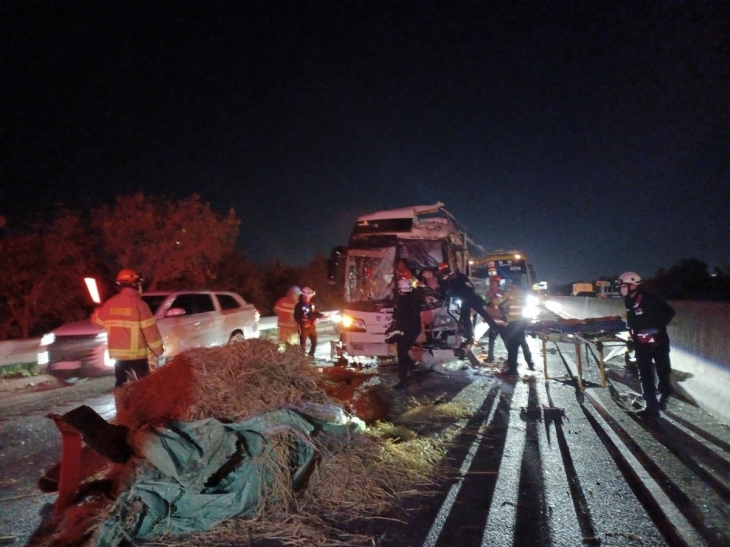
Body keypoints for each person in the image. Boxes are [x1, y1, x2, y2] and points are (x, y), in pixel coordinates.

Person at [92, 268, 164, 388]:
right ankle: (144, 405)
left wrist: (96, 312)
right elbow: (150, 331)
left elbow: (98, 323)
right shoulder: (140, 305)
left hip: (118, 357)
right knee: (145, 386)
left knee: (121, 385)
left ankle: (122, 405)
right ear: (135, 284)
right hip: (138, 356)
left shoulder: (110, 303)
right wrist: (158, 350)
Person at [618, 271, 675, 418]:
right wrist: (634, 337)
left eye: (624, 285)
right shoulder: (628, 300)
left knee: (663, 371)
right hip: (641, 343)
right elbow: (634, 321)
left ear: (634, 285)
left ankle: (663, 397)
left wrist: (654, 328)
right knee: (645, 374)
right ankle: (651, 406)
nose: (622, 288)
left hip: (659, 341)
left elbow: (670, 312)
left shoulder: (650, 298)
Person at [436, 262, 498, 346]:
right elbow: (471, 285)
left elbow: (443, 293)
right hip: (472, 296)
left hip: (464, 300)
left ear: (441, 271)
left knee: (466, 319)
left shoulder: (444, 280)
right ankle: (495, 328)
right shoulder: (459, 274)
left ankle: (469, 338)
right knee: (483, 313)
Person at [387, 277, 424, 390]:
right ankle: (414, 371)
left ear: (400, 289)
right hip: (413, 331)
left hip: (405, 332)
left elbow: (399, 317)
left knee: (402, 356)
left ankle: (403, 381)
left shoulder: (402, 302)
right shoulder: (414, 298)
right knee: (403, 353)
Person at [497, 280, 535, 376]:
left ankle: (513, 370)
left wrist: (495, 295)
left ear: (513, 284)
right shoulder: (524, 294)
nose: (509, 285)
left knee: (512, 348)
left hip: (512, 324)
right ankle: (530, 364)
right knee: (523, 344)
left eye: (510, 283)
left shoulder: (510, 294)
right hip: (521, 322)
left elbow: (498, 302)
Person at [293, 286, 325, 357]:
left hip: (311, 326)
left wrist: (321, 316)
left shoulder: (311, 304)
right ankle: (302, 357)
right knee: (303, 343)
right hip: (303, 327)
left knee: (314, 342)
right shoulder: (299, 305)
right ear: (304, 296)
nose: (310, 297)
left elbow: (313, 313)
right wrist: (302, 323)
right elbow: (296, 316)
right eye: (309, 296)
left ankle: (311, 355)